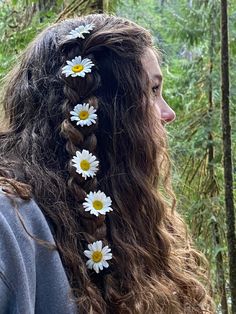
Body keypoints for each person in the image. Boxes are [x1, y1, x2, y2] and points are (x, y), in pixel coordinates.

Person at [0, 14, 213, 313]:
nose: (169, 113)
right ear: (109, 111)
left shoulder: (125, 216)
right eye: (153, 91)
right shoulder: (10, 223)